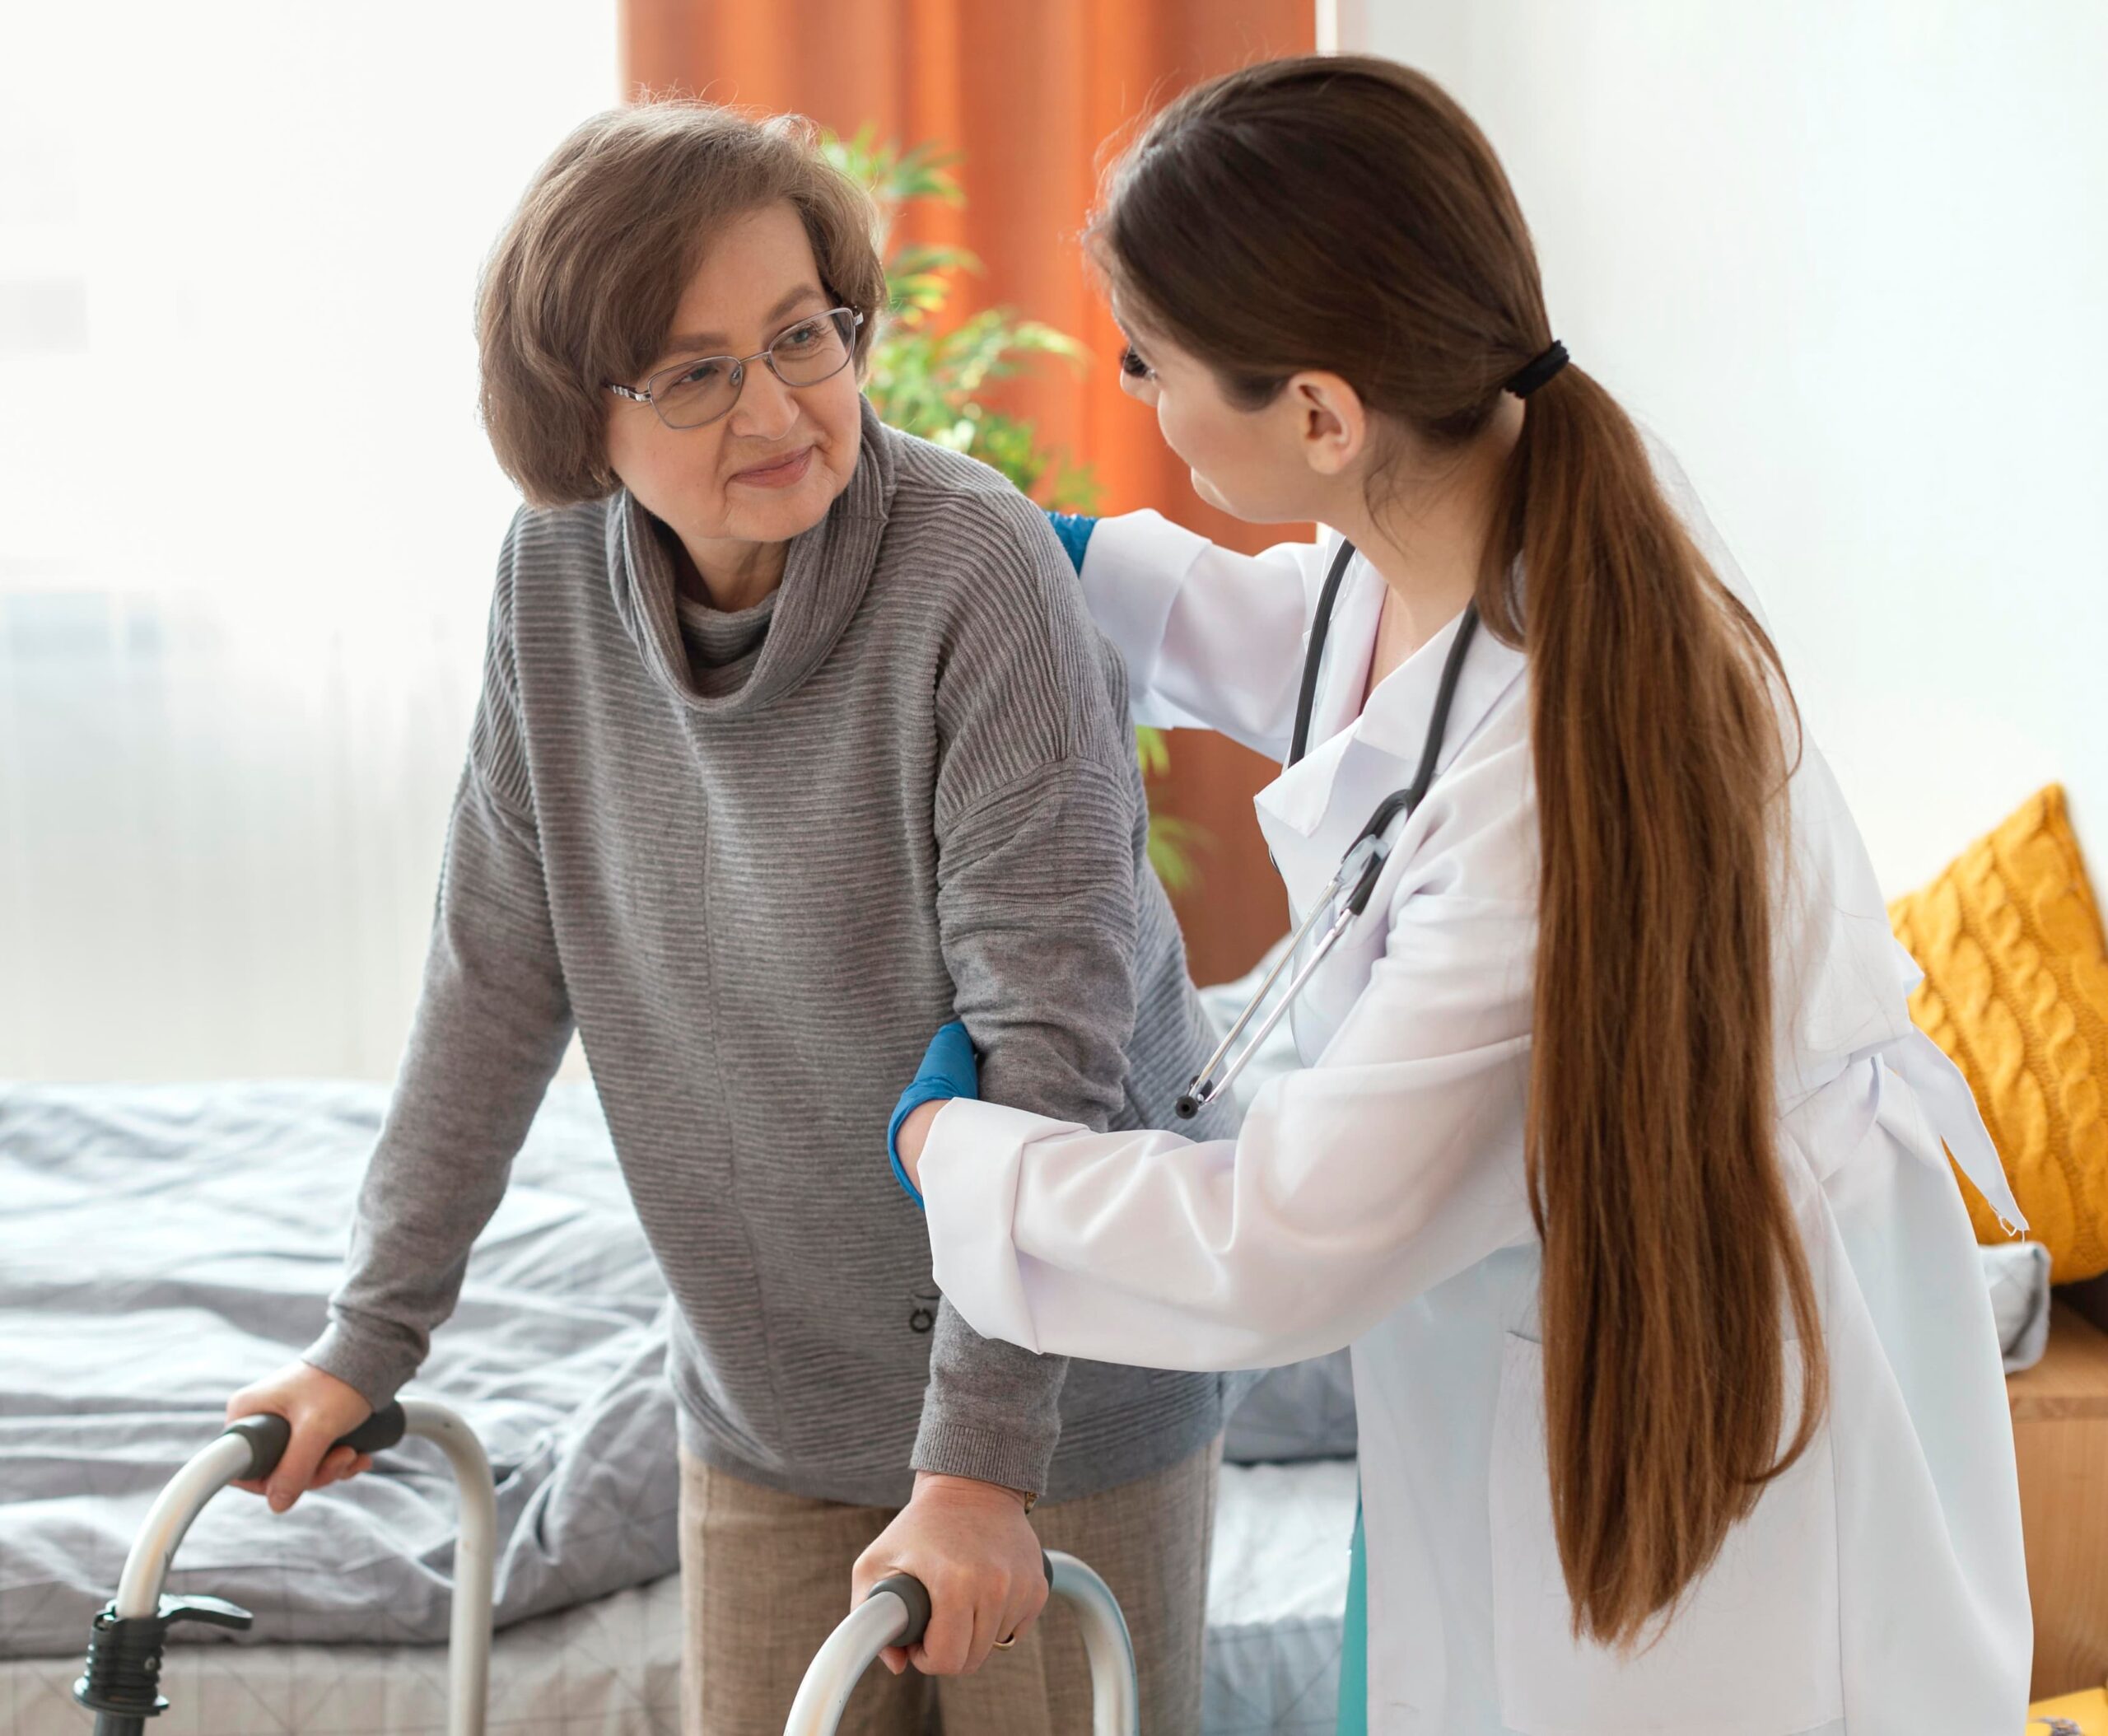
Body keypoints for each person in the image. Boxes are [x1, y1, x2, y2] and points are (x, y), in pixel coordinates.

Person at [881, 54, 2032, 1736]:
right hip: (1524, 1361)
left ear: (1323, 416)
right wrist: (1032, 552)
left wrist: (956, 1158)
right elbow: (1319, 654)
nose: (1134, 399)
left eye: (1147, 364)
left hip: (1698, 1433)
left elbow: (1277, 1243)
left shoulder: (1549, 794)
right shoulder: (1480, 519)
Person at [222, 100, 1238, 1736]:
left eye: (800, 337)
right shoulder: (549, 581)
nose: (774, 405)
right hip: (768, 1403)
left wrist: (978, 1466)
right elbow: (495, 971)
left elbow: (1054, 1044)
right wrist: (370, 1339)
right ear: (579, 416)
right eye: (695, 372)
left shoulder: (972, 575)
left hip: (1054, 1401)